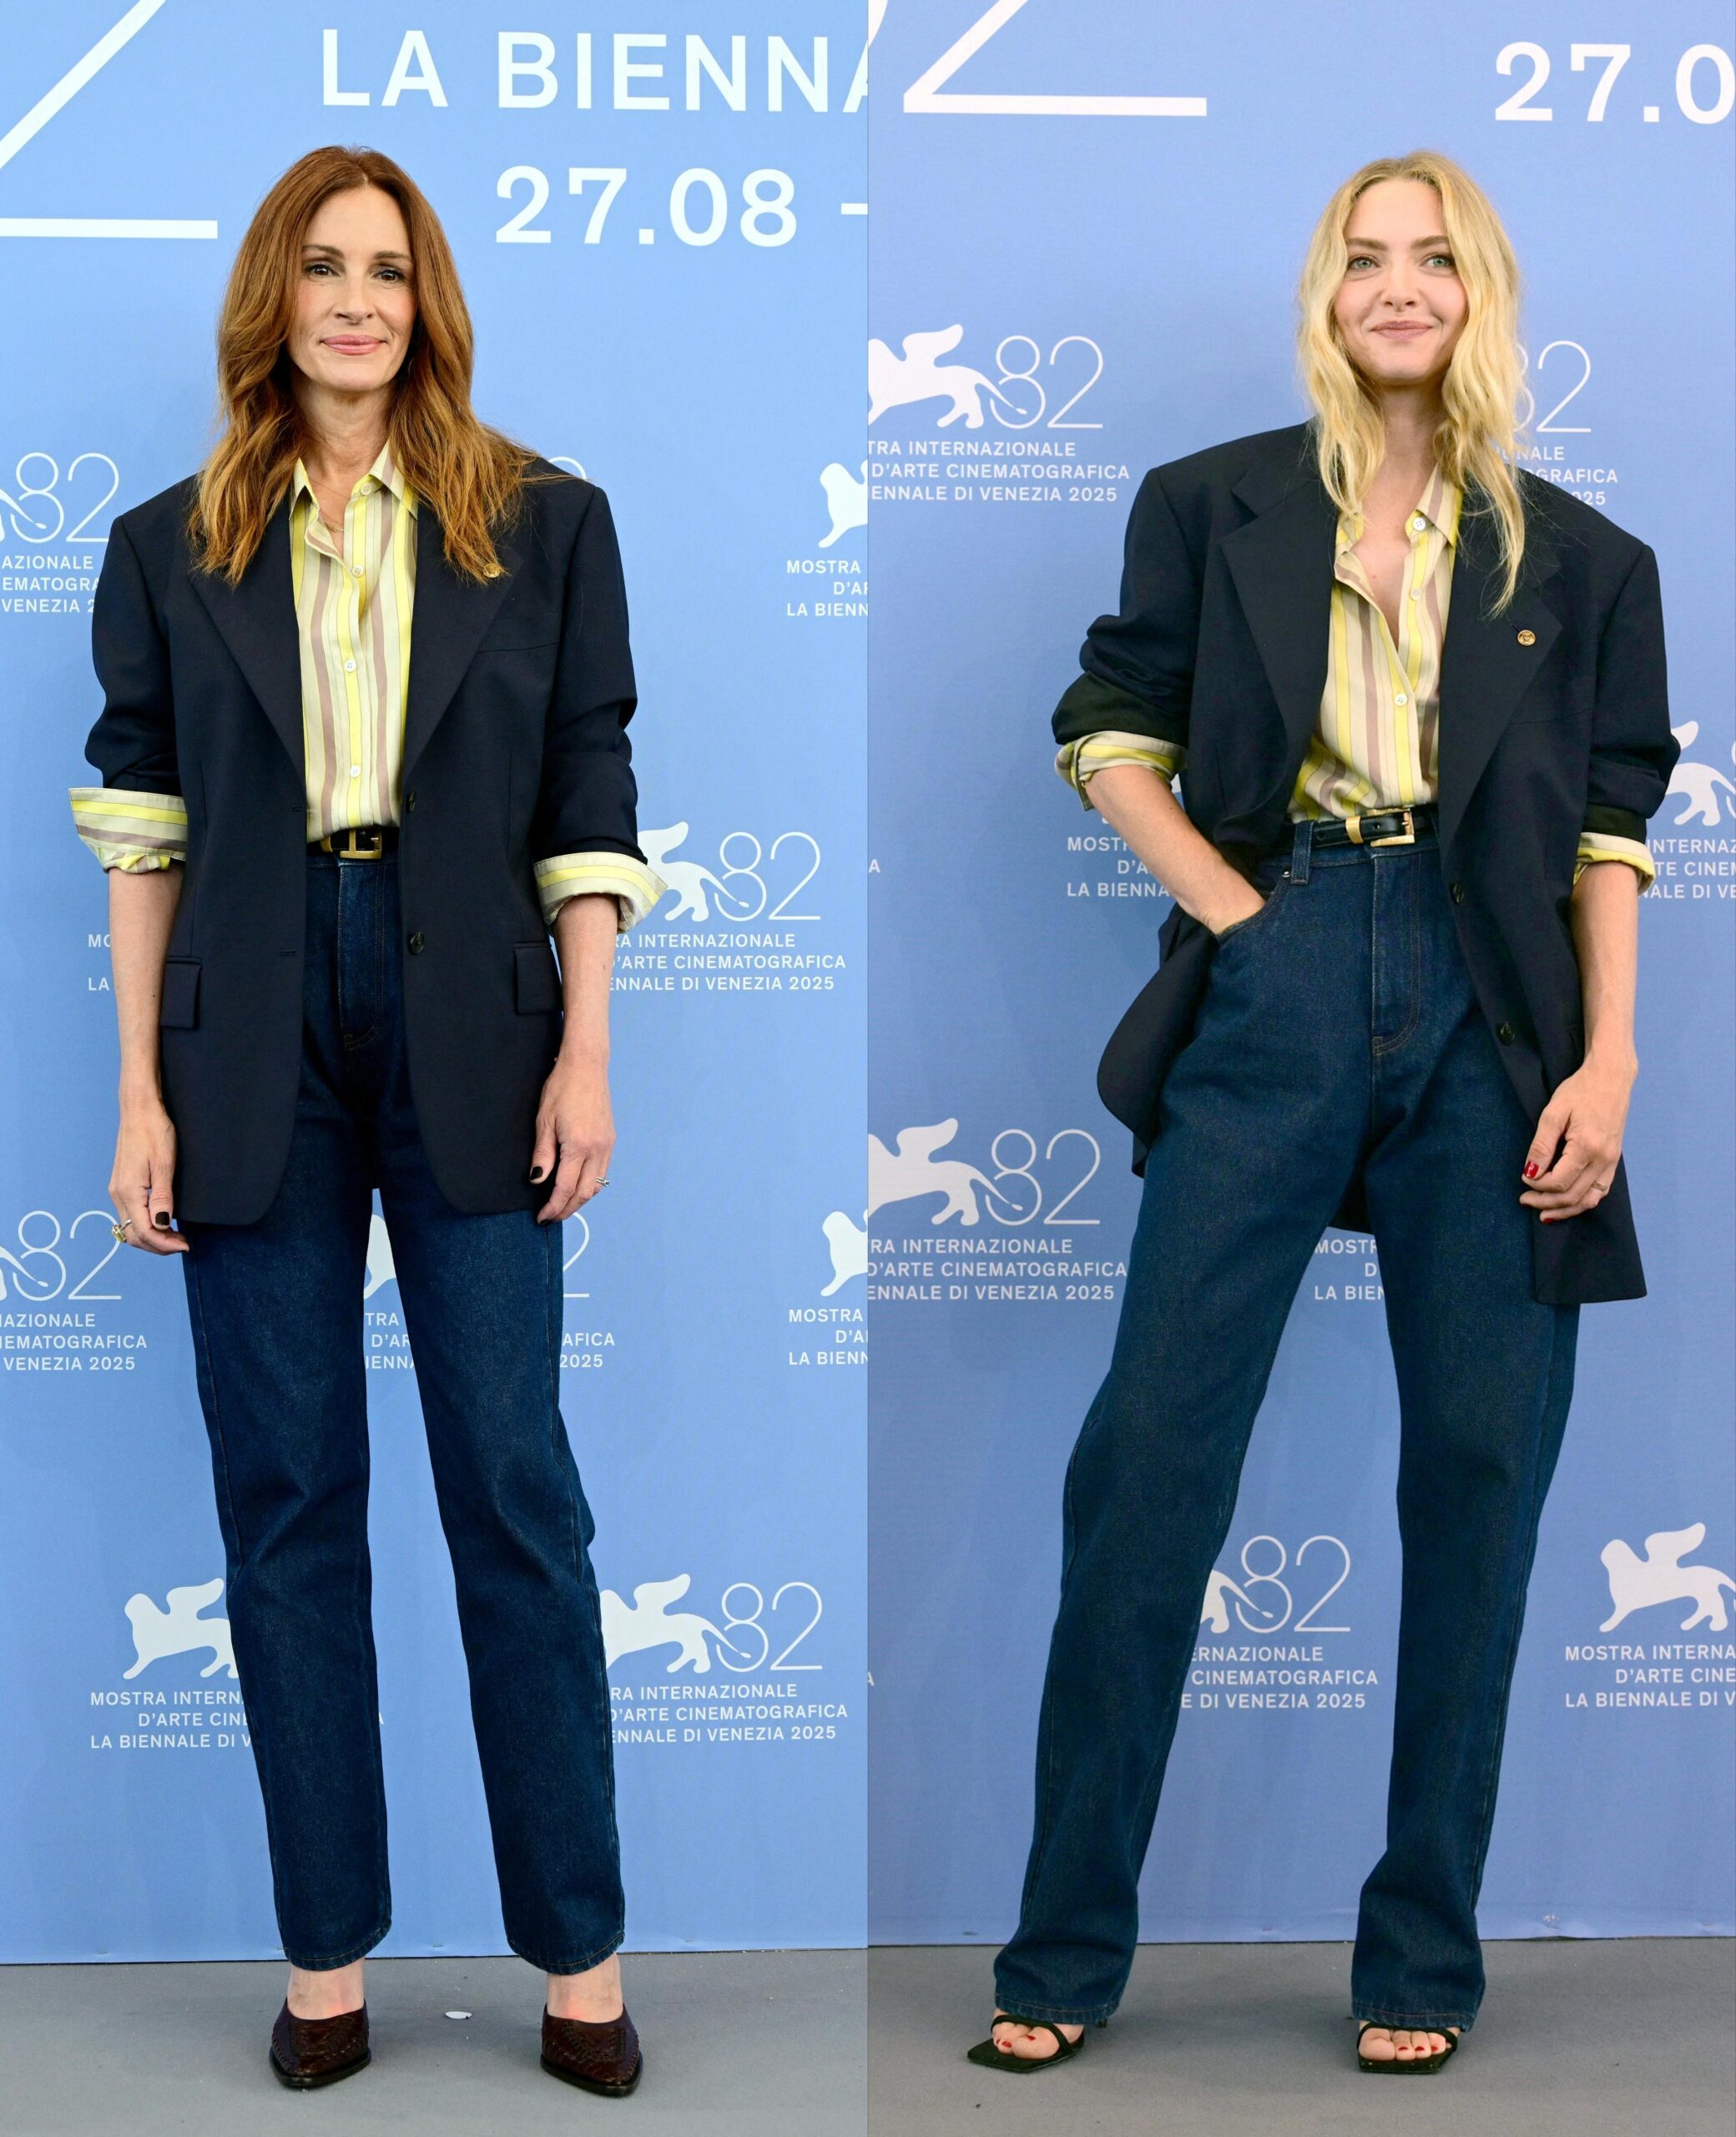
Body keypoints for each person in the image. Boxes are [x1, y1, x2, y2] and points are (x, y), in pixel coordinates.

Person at [967, 150, 1677, 2079]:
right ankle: (1061, 1941)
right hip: (1276, 969)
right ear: (1324, 290)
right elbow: (1104, 724)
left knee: (1477, 1479)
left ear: (1478, 291)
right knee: (1146, 1466)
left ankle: (1418, 1951)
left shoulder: (1582, 561)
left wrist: (1607, 1063)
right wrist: (1231, 909)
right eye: (1362, 257)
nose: (1395, 285)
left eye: (1430, 257)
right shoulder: (1211, 505)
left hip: (1494, 1006)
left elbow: (1603, 835)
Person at [69, 145, 666, 2096]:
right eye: (322, 267)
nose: (354, 301)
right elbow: (143, 831)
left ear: (429, 304)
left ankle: (578, 1953)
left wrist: (586, 1049)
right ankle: (323, 1953)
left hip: (478, 1014)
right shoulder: (169, 546)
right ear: (275, 295)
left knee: (513, 1487)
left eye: (388, 271)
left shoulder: (546, 522)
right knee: (286, 1499)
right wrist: (140, 1085)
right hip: (250, 1028)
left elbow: (586, 790)